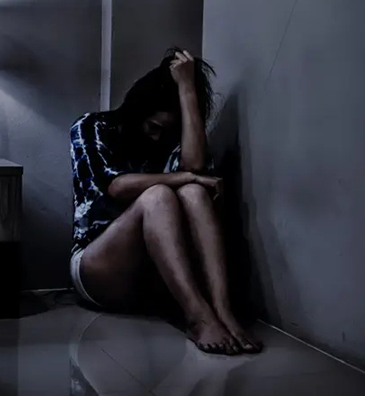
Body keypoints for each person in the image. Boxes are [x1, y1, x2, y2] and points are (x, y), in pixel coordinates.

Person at [69, 48, 263, 355]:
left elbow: (195, 169)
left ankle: (222, 309)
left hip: (157, 280)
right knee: (158, 196)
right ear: (137, 114)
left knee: (194, 192)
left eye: (168, 133)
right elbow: (118, 187)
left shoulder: (175, 143)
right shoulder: (92, 127)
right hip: (100, 268)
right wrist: (185, 178)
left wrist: (187, 88)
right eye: (153, 128)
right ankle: (198, 317)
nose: (159, 139)